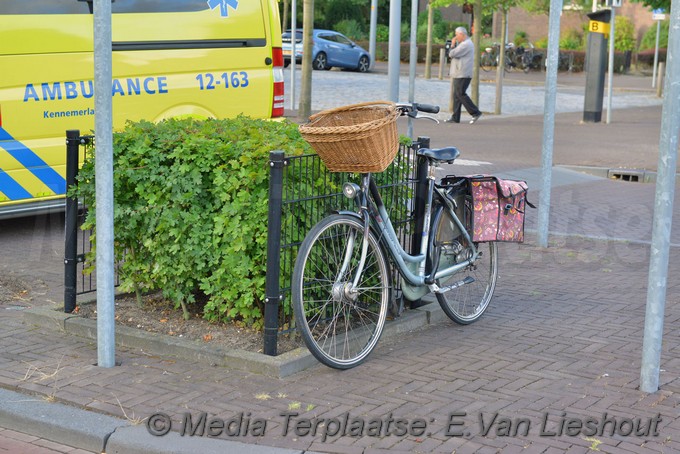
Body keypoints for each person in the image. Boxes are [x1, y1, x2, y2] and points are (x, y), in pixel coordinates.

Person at [446, 27, 482, 124]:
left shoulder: (466, 45)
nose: (456, 37)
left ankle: (475, 112)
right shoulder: (464, 44)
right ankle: (455, 117)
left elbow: (452, 54)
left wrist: (452, 45)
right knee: (457, 95)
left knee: (460, 93)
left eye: (457, 35)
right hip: (460, 73)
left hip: (462, 73)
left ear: (462, 34)